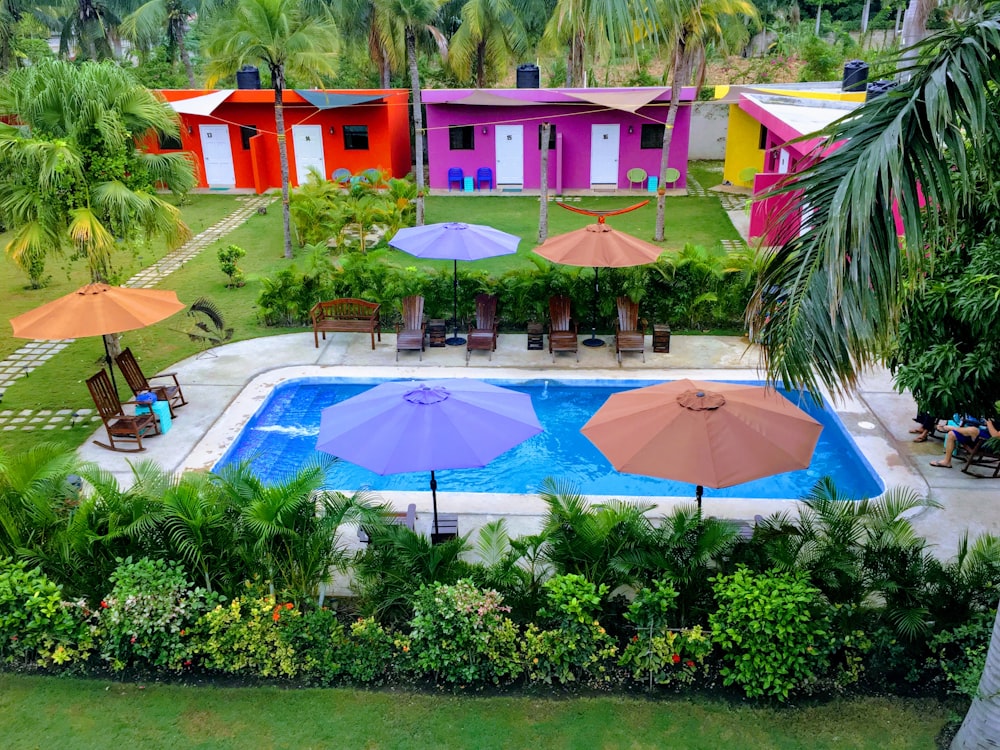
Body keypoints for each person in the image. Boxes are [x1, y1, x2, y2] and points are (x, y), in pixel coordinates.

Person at [930, 415, 1000, 468]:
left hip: (991, 443)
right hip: (982, 435)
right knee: (952, 434)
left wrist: (989, 423)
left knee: (973, 430)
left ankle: (951, 428)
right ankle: (947, 461)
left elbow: (996, 437)